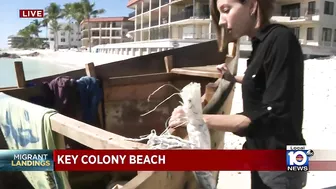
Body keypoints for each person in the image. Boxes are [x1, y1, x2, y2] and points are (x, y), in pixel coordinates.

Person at [168, 0, 307, 188]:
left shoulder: (282, 40)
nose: (222, 21)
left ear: (252, 5)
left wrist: (195, 118)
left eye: (226, 10)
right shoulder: (261, 43)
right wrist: (232, 78)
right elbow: (261, 80)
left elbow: (268, 115)